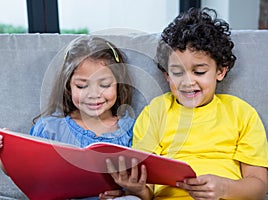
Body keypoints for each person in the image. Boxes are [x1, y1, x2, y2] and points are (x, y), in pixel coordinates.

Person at [102, 7, 268, 200]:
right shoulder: (156, 112)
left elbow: (259, 186)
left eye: (199, 72)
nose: (187, 82)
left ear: (220, 72)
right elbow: (146, 190)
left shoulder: (242, 113)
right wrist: (137, 190)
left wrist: (224, 188)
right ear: (166, 75)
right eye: (178, 73)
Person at [0, 35, 135, 199]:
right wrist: (4, 152)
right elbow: (25, 173)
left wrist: (123, 193)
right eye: (82, 86)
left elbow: (141, 184)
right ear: (68, 86)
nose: (93, 94)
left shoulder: (131, 130)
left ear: (119, 84)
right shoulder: (49, 128)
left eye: (104, 85)